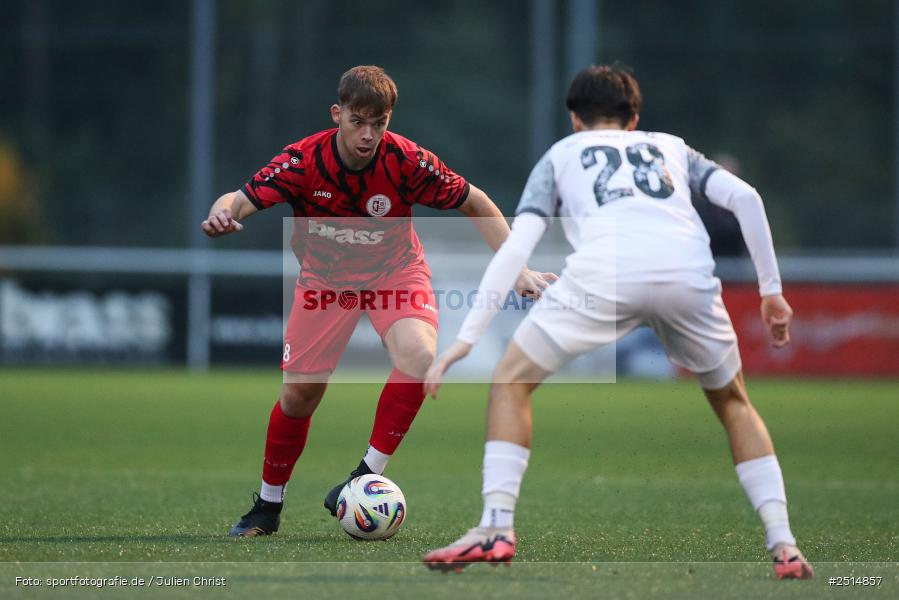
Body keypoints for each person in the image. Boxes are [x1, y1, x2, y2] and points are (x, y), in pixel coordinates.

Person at [421, 65, 813, 580]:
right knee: (735, 403)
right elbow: (746, 198)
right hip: (687, 276)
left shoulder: (561, 155)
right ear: (634, 120)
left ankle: (496, 527)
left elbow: (518, 244)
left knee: (512, 381)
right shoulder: (671, 146)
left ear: (574, 120)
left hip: (605, 277)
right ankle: (783, 543)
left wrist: (465, 340)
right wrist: (772, 292)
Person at [201, 65, 553, 537]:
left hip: (394, 271)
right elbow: (239, 198)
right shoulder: (304, 161)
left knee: (420, 355)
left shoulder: (407, 160)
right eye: (358, 121)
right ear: (337, 114)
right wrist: (223, 213)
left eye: (379, 122)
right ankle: (267, 507)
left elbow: (478, 202)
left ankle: (365, 475)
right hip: (325, 283)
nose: (368, 135)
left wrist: (518, 270)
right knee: (300, 395)